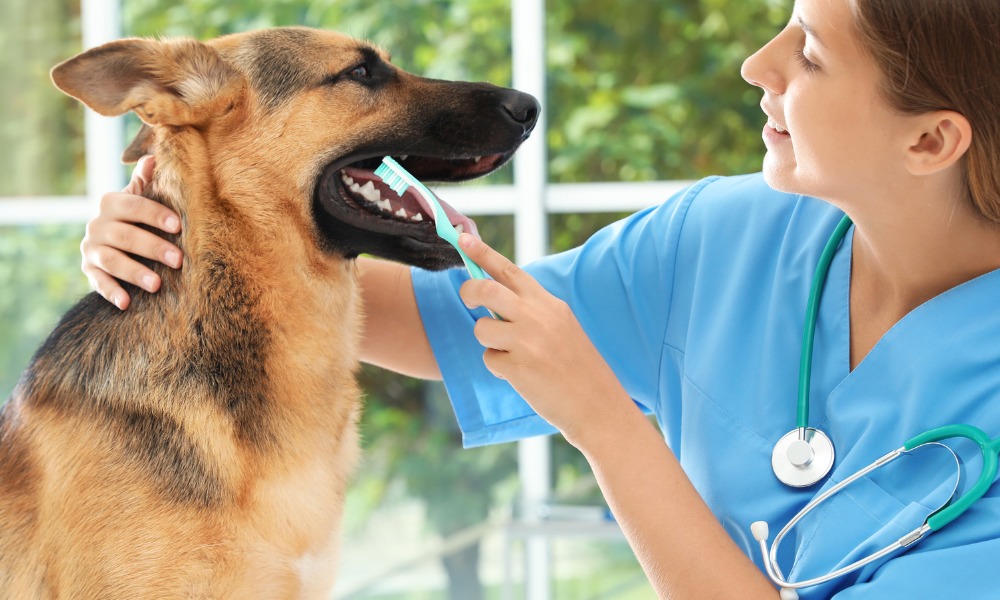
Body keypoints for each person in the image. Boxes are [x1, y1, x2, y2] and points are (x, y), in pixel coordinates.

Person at [79, 0, 1000, 597]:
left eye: (810, 56)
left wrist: (602, 419)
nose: (759, 65)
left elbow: (582, 398)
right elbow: (441, 325)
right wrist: (191, 232)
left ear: (931, 141)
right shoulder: (727, 237)